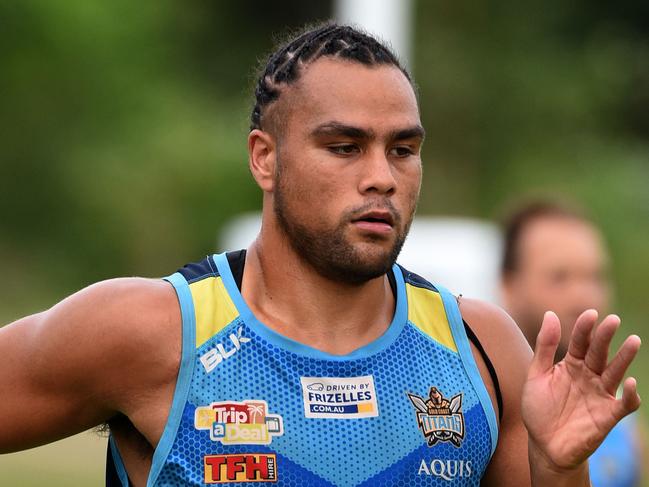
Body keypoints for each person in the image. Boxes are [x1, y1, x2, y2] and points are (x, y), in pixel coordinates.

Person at [0, 23, 642, 487]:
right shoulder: (151, 331)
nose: (382, 177)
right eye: (344, 147)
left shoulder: (482, 348)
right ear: (265, 157)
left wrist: (559, 468)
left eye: (403, 149)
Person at [500, 200, 644, 487]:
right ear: (508, 285)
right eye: (559, 277)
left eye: (595, 277)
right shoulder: (478, 415)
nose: (583, 297)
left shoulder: (623, 428)